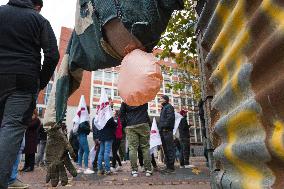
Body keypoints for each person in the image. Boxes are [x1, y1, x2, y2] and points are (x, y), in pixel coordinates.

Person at [0, 0, 60, 187]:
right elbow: (52, 55)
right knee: (11, 129)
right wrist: (40, 82)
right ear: (37, 5)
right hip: (24, 80)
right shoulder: (39, 20)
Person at [120, 102, 152, 177]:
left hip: (131, 125)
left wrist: (125, 125)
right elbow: (145, 110)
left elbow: (121, 115)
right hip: (143, 123)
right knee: (145, 147)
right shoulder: (143, 98)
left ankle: (134, 170)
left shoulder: (126, 99)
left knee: (132, 148)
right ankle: (148, 170)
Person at [158, 95, 176, 174]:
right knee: (165, 149)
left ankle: (171, 167)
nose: (160, 99)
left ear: (165, 99)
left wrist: (164, 126)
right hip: (163, 131)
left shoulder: (169, 107)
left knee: (169, 149)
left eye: (161, 98)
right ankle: (168, 166)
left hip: (167, 131)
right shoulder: (164, 108)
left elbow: (170, 118)